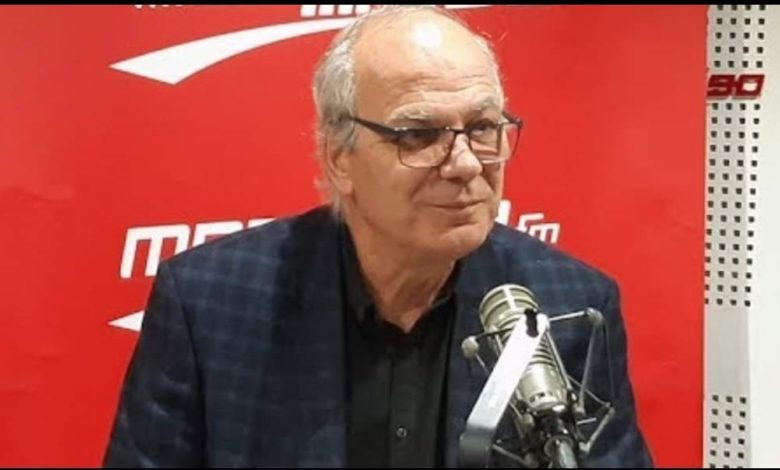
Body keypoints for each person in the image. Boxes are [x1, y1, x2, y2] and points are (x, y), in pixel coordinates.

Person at [103, 5, 653, 468]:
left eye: (483, 128)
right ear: (339, 157)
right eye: (420, 135)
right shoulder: (210, 306)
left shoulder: (569, 307)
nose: (465, 163)